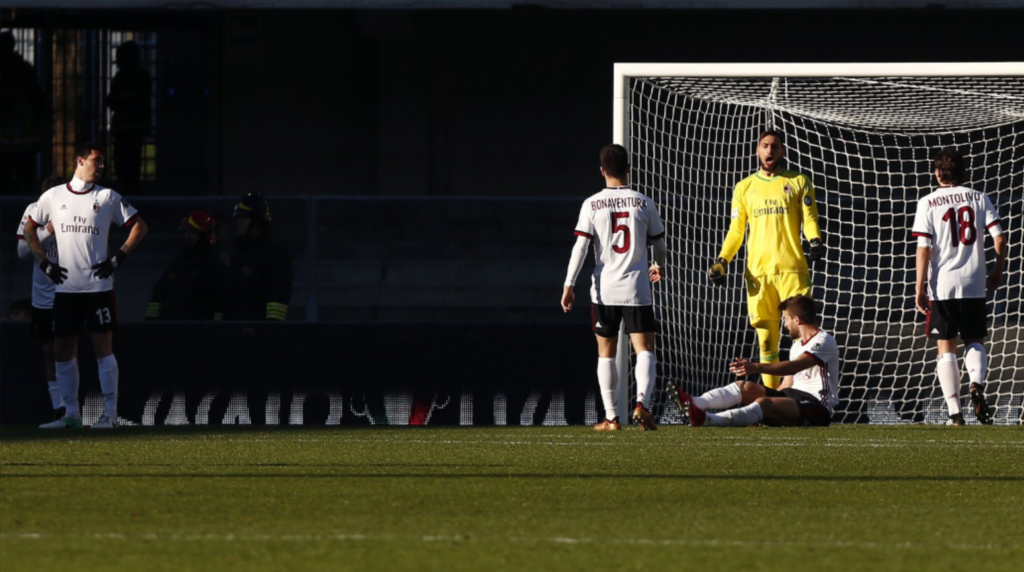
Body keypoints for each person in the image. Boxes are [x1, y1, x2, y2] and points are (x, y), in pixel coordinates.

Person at [23, 143, 148, 429]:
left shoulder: (107, 197)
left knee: (102, 347)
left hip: (98, 287)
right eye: (97, 160)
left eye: (103, 161)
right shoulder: (53, 197)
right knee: (62, 348)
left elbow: (140, 225)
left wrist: (118, 257)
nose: (102, 166)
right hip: (65, 289)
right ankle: (71, 415)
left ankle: (110, 415)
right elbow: (29, 229)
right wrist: (44, 263)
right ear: (80, 160)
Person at [708, 129, 824, 390]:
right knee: (766, 343)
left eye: (774, 146)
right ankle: (771, 401)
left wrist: (815, 240)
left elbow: (809, 219)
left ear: (782, 151)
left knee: (803, 337)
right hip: (759, 275)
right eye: (764, 146)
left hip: (793, 270)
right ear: (757, 151)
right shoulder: (744, 187)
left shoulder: (799, 181)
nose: (769, 150)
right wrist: (722, 261)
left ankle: (805, 396)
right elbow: (736, 230)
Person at [562, 144, 667, 431]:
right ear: (629, 169)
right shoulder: (644, 202)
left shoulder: (591, 203)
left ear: (603, 170)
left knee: (605, 353)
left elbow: (580, 247)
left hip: (604, 289)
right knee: (644, 350)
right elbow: (660, 245)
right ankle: (642, 405)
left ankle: (611, 419)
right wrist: (657, 265)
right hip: (637, 289)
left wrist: (569, 284)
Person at [912, 148, 1006, 426]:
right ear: (962, 171)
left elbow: (923, 249)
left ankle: (955, 413)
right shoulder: (979, 197)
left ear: (938, 172)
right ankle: (976, 384)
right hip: (975, 281)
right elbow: (999, 238)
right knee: (975, 339)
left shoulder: (928, 202)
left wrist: (918, 288)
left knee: (946, 345)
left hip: (943, 285)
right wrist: (997, 269)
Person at [670, 295, 839, 427]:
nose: (785, 324)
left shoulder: (824, 341)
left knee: (762, 403)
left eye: (786, 319)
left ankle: (708, 420)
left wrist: (756, 367)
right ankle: (692, 403)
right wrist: (773, 402)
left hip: (816, 406)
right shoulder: (796, 346)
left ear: (797, 320)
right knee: (744, 386)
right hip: (792, 398)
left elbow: (794, 367)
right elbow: (787, 384)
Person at [16, 175, 67, 421]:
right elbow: (22, 251)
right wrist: (47, 230)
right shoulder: (33, 211)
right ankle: (59, 408)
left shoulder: (75, 209)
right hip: (43, 298)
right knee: (49, 351)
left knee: (68, 349)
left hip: (71, 293)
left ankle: (72, 408)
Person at [146, 210, 227, 320]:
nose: (187, 236)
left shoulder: (216, 268)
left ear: (204, 236)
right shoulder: (177, 265)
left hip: (199, 334)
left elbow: (221, 306)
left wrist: (215, 332)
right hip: (171, 332)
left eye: (193, 232)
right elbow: (158, 294)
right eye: (185, 231)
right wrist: (151, 323)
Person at [224, 193, 292, 321]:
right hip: (234, 330)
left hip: (256, 333)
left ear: (258, 220)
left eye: (244, 217)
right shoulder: (239, 252)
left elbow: (278, 295)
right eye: (238, 217)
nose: (238, 221)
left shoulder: (274, 253)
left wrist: (269, 330)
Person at [104, 41, 151, 195]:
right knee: (132, 161)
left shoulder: (121, 77)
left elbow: (112, 100)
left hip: (124, 126)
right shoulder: (142, 76)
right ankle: (132, 188)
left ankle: (128, 188)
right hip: (135, 125)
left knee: (123, 161)